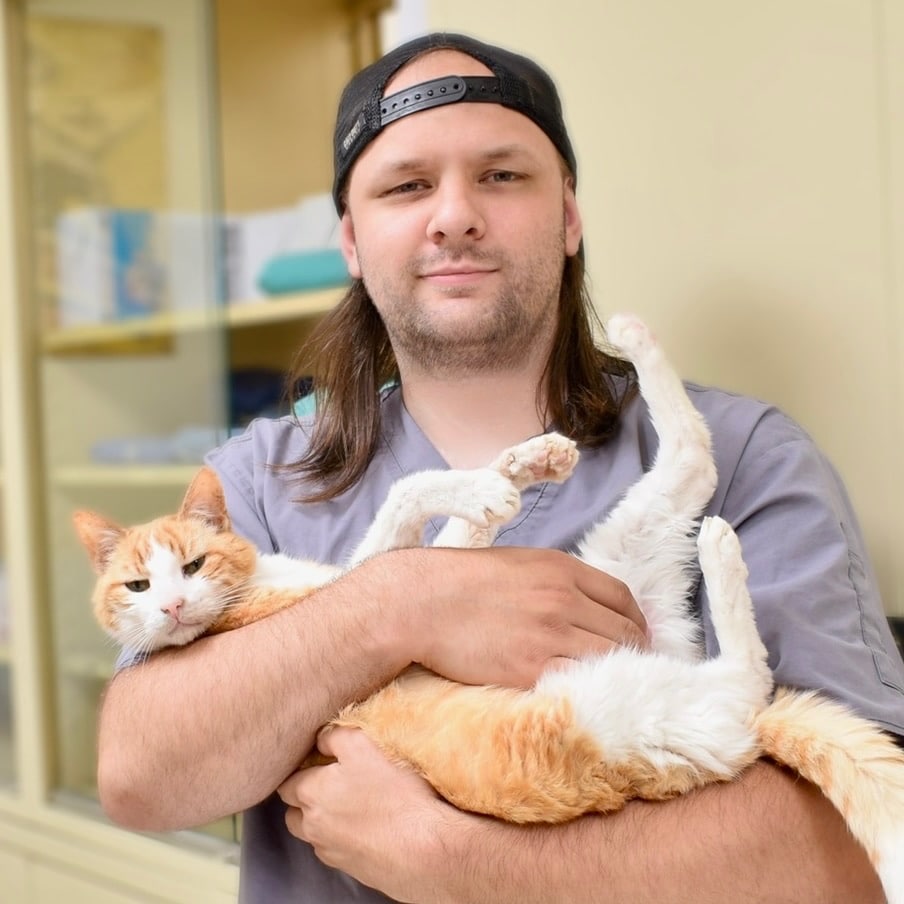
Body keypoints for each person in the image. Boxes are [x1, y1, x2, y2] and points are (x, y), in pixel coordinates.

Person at [97, 32, 904, 903]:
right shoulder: (259, 482)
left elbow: (860, 840)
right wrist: (398, 604)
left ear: (568, 216)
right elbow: (144, 778)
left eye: (501, 175)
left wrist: (473, 864)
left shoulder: (743, 459)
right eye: (407, 186)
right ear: (352, 243)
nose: (453, 215)